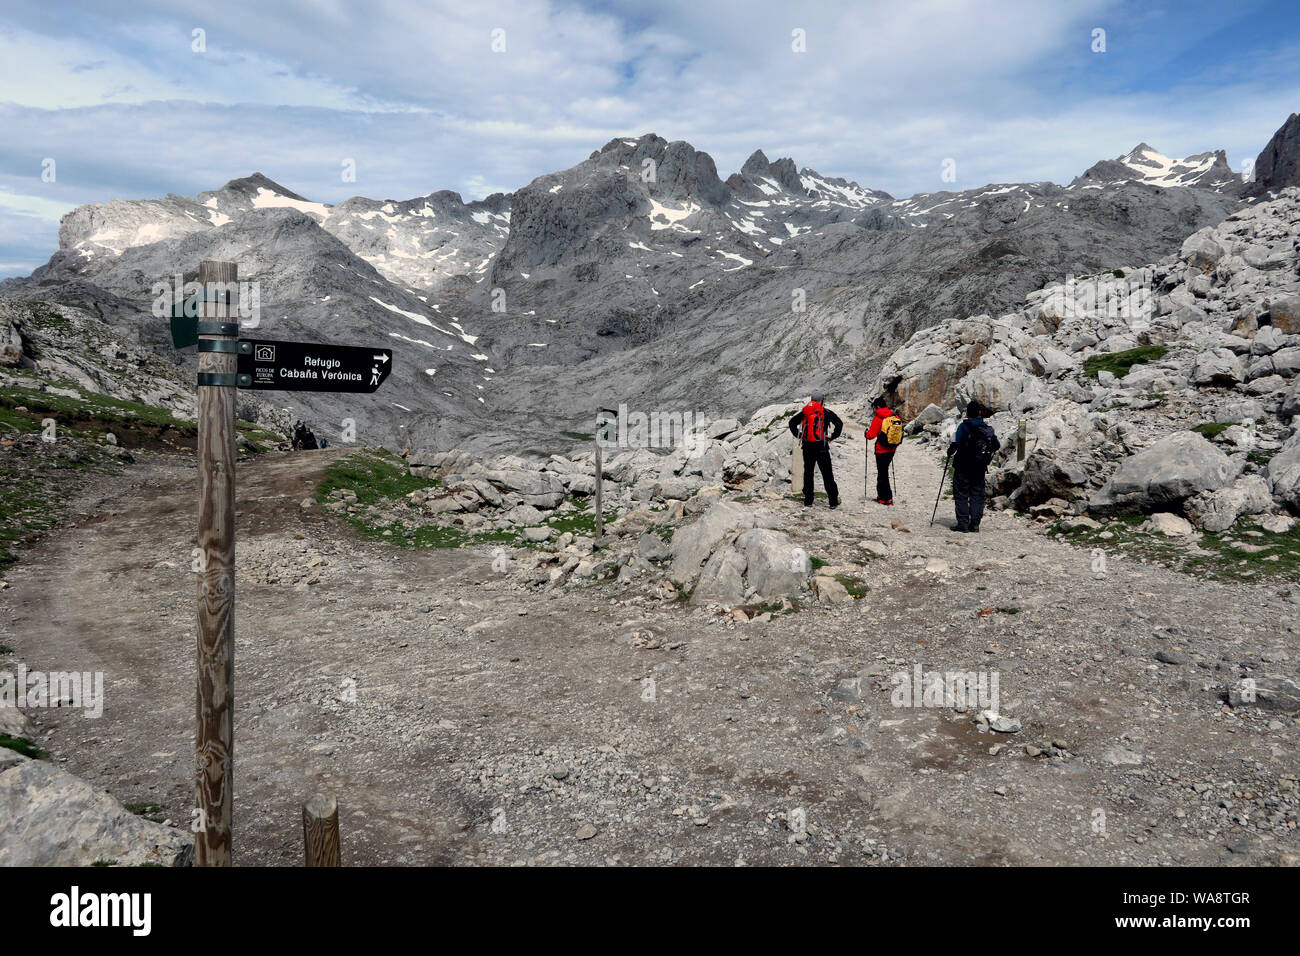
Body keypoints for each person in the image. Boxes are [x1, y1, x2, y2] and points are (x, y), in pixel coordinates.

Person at [946, 400, 1000, 533]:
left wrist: (949, 452)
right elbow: (997, 445)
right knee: (977, 494)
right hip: (979, 467)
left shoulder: (963, 427)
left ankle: (963, 523)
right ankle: (975, 524)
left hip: (963, 466)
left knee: (961, 493)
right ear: (980, 413)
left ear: (967, 413)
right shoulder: (986, 428)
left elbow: (956, 443)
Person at [788, 391, 842, 508]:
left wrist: (800, 435)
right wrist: (832, 436)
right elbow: (839, 423)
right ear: (822, 401)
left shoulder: (805, 412)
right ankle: (833, 501)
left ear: (811, 400)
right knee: (827, 474)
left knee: (808, 473)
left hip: (807, 447)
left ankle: (808, 501)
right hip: (821, 447)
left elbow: (792, 423)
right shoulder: (826, 412)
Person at [863, 396, 902, 505]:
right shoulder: (894, 415)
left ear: (878, 406)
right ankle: (886, 496)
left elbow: (871, 435)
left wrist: (866, 433)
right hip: (892, 449)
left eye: (874, 408)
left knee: (882, 474)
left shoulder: (878, 418)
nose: (874, 410)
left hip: (881, 450)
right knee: (884, 472)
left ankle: (885, 497)